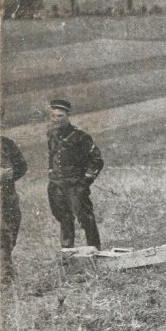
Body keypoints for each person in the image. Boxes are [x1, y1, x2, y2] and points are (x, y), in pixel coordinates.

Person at [46, 99, 103, 251]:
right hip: (57, 185)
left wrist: (84, 183)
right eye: (53, 116)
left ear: (68, 115)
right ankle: (67, 253)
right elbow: (51, 156)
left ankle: (95, 250)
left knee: (85, 219)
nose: (56, 119)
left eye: (60, 116)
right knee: (64, 218)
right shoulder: (51, 135)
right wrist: (51, 172)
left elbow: (96, 161)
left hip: (75, 185)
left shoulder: (81, 137)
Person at [0, 136, 27, 284]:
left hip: (9, 196)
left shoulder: (6, 143)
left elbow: (22, 166)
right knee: (2, 235)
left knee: (11, 231)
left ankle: (5, 269)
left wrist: (10, 174)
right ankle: (6, 277)